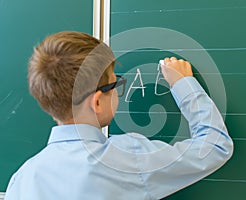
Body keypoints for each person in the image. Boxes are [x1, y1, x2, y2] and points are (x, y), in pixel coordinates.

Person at [4, 31, 233, 200]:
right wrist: (184, 84)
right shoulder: (125, 159)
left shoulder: (22, 180)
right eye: (115, 84)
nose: (118, 91)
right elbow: (215, 147)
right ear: (96, 102)